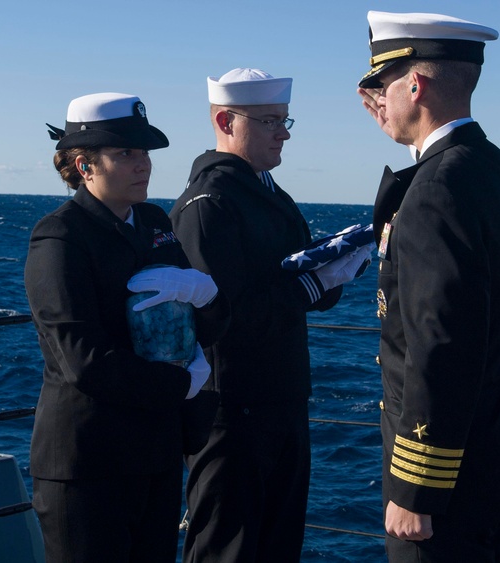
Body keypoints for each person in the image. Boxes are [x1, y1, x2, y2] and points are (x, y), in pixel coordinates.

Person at [356, 11, 500, 563]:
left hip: (444, 478)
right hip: (493, 454)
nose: (377, 99)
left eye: (384, 85)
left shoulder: (433, 191)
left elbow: (441, 343)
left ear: (415, 85)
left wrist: (415, 488)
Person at [170, 68, 372, 562]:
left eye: (285, 120)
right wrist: (312, 282)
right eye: (268, 121)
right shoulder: (208, 204)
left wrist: (332, 266)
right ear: (226, 120)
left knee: (278, 547)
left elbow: (296, 289)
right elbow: (226, 312)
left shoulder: (270, 195)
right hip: (231, 408)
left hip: (279, 400)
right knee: (228, 549)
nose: (283, 132)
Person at [25, 92, 229, 563]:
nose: (143, 165)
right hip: (89, 461)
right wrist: (181, 383)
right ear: (84, 166)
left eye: (144, 153)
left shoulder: (155, 222)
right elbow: (85, 362)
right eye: (125, 154)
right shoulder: (60, 237)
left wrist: (208, 296)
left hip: (154, 451)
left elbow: (200, 326)